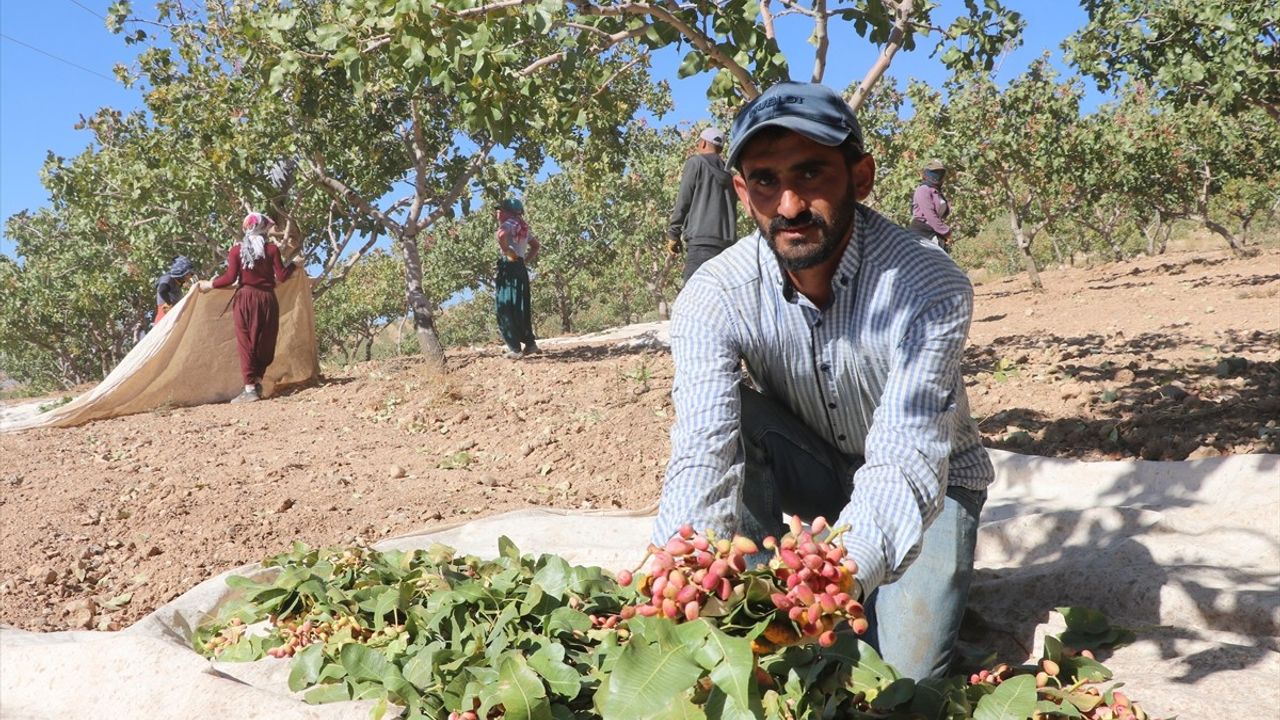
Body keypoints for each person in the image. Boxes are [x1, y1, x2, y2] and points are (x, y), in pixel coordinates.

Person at [652, 82, 993, 681]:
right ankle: (755, 601)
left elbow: (906, 455)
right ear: (741, 191)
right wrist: (681, 558)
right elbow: (703, 446)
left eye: (811, 174)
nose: (788, 205)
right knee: (737, 418)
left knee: (900, 678)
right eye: (764, 181)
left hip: (930, 486)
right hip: (813, 468)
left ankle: (825, 591)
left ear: (859, 178)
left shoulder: (927, 286)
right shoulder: (714, 295)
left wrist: (843, 570)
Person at [197, 212, 297, 403]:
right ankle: (256, 381)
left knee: (246, 342)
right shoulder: (271, 250)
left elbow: (229, 278)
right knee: (264, 342)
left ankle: (250, 388)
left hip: (245, 299)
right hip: (267, 300)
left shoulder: (237, 251)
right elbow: (282, 276)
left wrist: (209, 285)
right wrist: (294, 266)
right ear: (263, 228)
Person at [666, 126, 738, 282]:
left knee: (693, 300)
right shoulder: (731, 176)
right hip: (727, 249)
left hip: (701, 244)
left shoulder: (696, 163)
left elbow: (684, 200)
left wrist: (673, 234)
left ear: (703, 144)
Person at [495, 198, 541, 359]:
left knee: (505, 306)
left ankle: (514, 348)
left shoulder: (508, 224)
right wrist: (524, 261)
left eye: (500, 209)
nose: (497, 212)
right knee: (520, 305)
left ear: (507, 212)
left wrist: (505, 249)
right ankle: (530, 343)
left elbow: (500, 235)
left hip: (509, 266)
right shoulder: (523, 227)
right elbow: (536, 246)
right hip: (520, 266)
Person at [909, 159, 953, 252]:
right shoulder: (923, 190)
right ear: (926, 174)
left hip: (934, 232)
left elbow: (941, 214)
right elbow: (931, 216)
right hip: (921, 234)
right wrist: (946, 232)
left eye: (940, 172)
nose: (938, 175)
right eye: (934, 172)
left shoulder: (937, 191)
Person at [154, 255, 195, 325]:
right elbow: (162, 290)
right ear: (182, 272)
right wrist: (169, 304)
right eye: (189, 274)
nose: (190, 276)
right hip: (165, 314)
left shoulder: (176, 281)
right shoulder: (168, 278)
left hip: (173, 313)